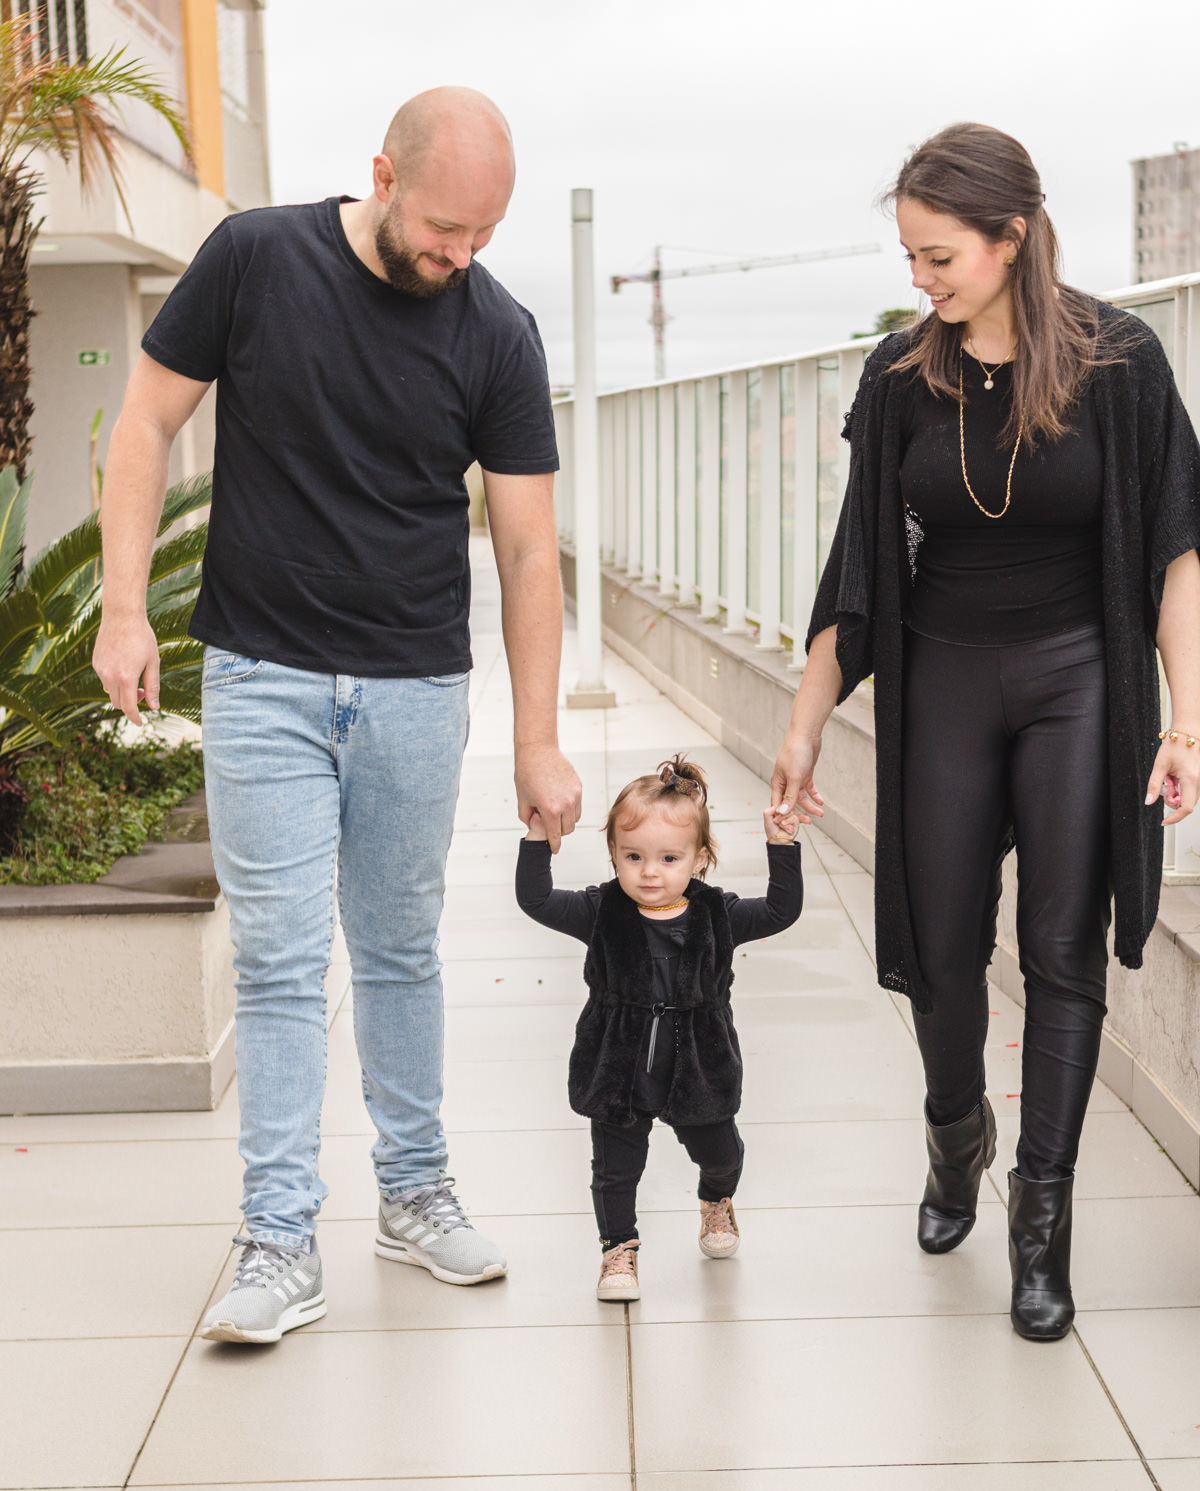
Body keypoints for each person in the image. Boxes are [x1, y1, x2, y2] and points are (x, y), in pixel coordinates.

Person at [93, 87, 582, 1344]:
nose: (459, 256)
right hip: (263, 676)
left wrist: (539, 739)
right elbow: (146, 418)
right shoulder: (257, 257)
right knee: (278, 958)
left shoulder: (498, 331)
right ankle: (277, 1236)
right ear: (383, 173)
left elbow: (529, 554)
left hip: (419, 684)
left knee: (404, 948)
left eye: (483, 235)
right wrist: (124, 607)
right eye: (443, 227)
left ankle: (413, 1195)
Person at [772, 122, 1200, 1342]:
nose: (921, 279)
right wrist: (805, 726)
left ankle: (1042, 1218)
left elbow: (1179, 548)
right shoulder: (902, 378)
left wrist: (1186, 721)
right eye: (909, 256)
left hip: (1080, 684)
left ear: (1012, 239)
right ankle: (956, 1133)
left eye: (938, 255)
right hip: (944, 682)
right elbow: (857, 569)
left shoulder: (1121, 362)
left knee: (1061, 951)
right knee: (942, 948)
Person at [516, 756, 803, 1299]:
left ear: (700, 859)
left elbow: (779, 913)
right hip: (618, 1068)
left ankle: (716, 1199)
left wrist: (782, 848)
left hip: (698, 1066)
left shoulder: (719, 914)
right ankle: (618, 1250)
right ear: (614, 857)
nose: (650, 871)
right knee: (615, 1170)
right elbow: (535, 900)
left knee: (722, 1154)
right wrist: (536, 837)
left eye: (669, 858)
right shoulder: (600, 911)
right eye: (633, 857)